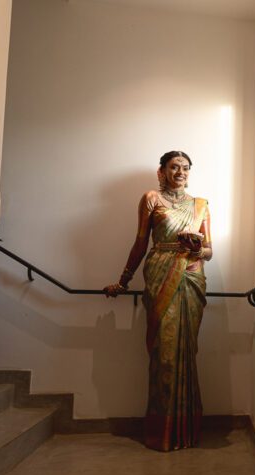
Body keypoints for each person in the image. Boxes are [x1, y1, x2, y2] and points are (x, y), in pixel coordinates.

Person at [103, 151, 212, 452]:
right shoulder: (151, 199)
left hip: (191, 276)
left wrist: (198, 247)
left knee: (186, 353)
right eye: (175, 167)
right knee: (164, 352)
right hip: (160, 273)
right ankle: (162, 432)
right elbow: (140, 243)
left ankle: (187, 430)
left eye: (186, 168)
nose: (181, 172)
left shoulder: (200, 205)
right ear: (161, 171)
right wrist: (123, 281)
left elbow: (210, 251)